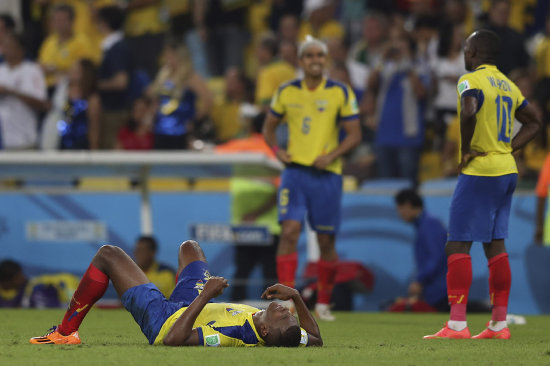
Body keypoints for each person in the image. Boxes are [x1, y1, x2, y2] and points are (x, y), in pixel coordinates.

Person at [424, 30, 541, 340]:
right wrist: (511, 147)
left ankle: (458, 325)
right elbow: (535, 121)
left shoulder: (470, 80)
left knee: (457, 244)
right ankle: (499, 325)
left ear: (473, 53)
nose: (464, 54)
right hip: (507, 170)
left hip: (481, 170)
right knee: (495, 245)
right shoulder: (509, 85)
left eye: (465, 49)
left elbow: (469, 109)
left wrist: (465, 149)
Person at [29, 240, 322, 347]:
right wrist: (296, 295)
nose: (287, 313)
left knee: (108, 255)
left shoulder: (234, 335)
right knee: (189, 248)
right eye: (291, 317)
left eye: (285, 316)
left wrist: (205, 295)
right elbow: (316, 340)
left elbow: (174, 339)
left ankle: (66, 332)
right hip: (189, 304)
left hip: (165, 319)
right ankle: (175, 287)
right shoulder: (286, 335)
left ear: (266, 330)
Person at [263, 36, 361, 321]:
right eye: (310, 55)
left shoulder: (340, 92)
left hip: (327, 175)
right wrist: (277, 151)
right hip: (295, 173)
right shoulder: (286, 91)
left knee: (326, 241)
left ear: (326, 60)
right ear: (301, 60)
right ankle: (286, 302)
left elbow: (355, 135)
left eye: (320, 55)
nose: (315, 60)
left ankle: (323, 303)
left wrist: (332, 155)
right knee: (289, 232)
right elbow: (268, 128)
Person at [216, 116, 280, 301]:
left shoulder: (238, 145)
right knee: (269, 275)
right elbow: (281, 191)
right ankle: (274, 316)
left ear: (251, 125)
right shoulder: (275, 151)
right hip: (270, 226)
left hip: (244, 223)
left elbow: (211, 154)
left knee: (242, 273)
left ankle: (235, 314)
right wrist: (258, 213)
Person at [148, 39, 213, 150]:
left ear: (179, 56)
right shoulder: (164, 74)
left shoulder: (190, 77)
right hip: (161, 128)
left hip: (181, 130)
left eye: (170, 55)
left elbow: (208, 100)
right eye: (166, 54)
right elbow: (156, 98)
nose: (167, 57)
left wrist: (195, 120)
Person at [394, 189, 448, 311]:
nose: (399, 214)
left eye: (399, 209)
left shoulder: (430, 225)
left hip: (439, 288)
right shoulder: (425, 224)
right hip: (436, 286)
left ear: (407, 205)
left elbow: (436, 257)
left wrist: (419, 280)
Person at [0, 32, 48, 150]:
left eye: (9, 46)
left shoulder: (33, 71)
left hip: (25, 140)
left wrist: (11, 92)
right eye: (4, 45)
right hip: (3, 141)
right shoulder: (1, 71)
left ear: (20, 50)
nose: (5, 49)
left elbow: (42, 104)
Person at [38, 4, 99, 94]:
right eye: (56, 20)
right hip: (47, 90)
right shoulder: (49, 42)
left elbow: (86, 72)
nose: (59, 24)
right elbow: (41, 65)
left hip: (73, 91)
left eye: (62, 20)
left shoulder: (83, 42)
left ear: (72, 21)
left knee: (79, 104)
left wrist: (56, 70)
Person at [96, 5, 129, 150]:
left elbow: (121, 81)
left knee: (111, 152)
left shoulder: (116, 48)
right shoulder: (111, 46)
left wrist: (95, 85)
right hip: (111, 109)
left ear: (104, 22)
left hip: (115, 112)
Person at [57, 59, 100, 150]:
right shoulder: (63, 91)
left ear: (85, 74)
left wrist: (94, 150)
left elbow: (94, 128)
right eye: (71, 69)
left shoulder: (91, 98)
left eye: (76, 70)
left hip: (81, 145)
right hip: (61, 142)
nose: (71, 72)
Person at [0, 259, 79, 308]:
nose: (23, 277)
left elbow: (50, 308)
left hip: (74, 294)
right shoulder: (23, 290)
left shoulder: (36, 289)